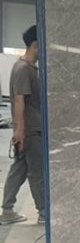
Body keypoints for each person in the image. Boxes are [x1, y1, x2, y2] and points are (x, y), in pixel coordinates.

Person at [1, 25, 45, 225]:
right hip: (30, 130)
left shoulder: (27, 68)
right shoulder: (23, 70)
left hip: (27, 129)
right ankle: (44, 212)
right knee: (37, 172)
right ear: (35, 45)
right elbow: (19, 100)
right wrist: (20, 132)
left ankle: (7, 210)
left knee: (19, 169)